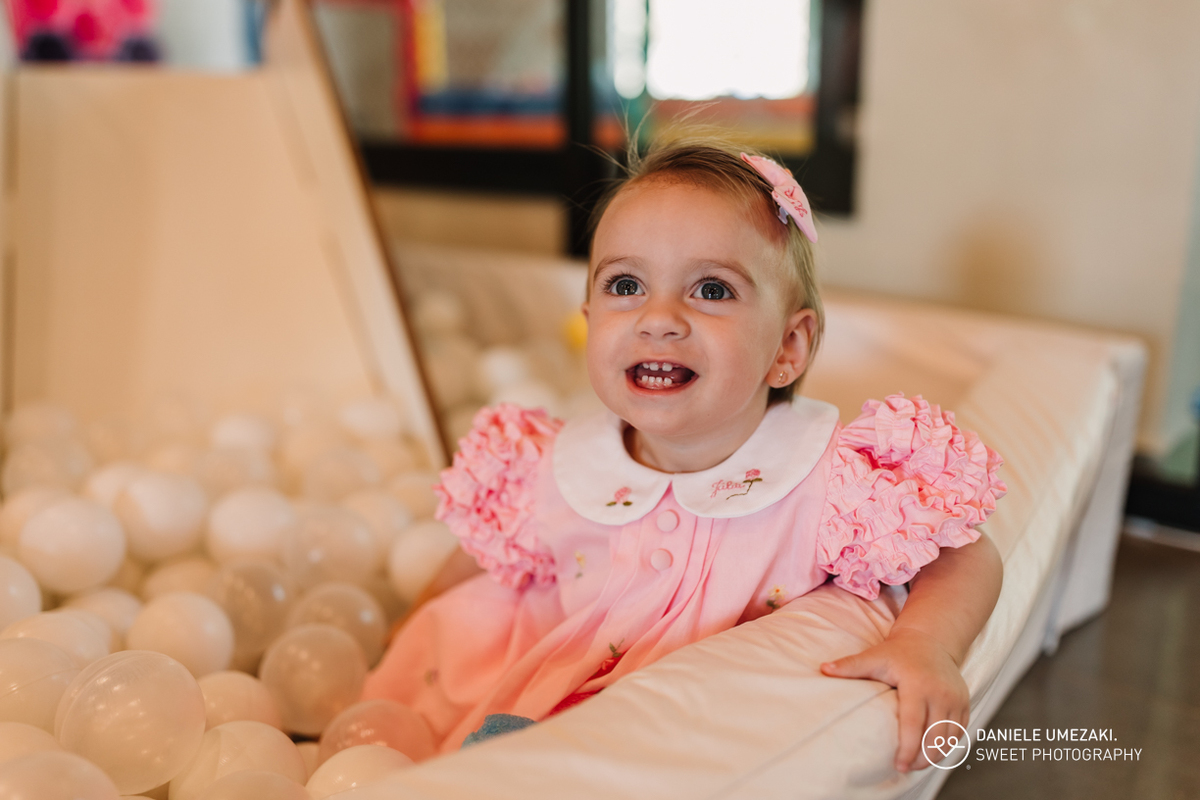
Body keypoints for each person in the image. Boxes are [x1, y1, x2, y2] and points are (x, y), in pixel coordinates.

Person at [364, 138, 1006, 772]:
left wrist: (924, 644)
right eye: (625, 284)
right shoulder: (564, 467)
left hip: (680, 745)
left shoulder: (823, 480)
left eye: (712, 290)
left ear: (788, 347)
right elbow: (477, 559)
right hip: (540, 709)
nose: (659, 318)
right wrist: (411, 618)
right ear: (589, 320)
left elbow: (963, 554)